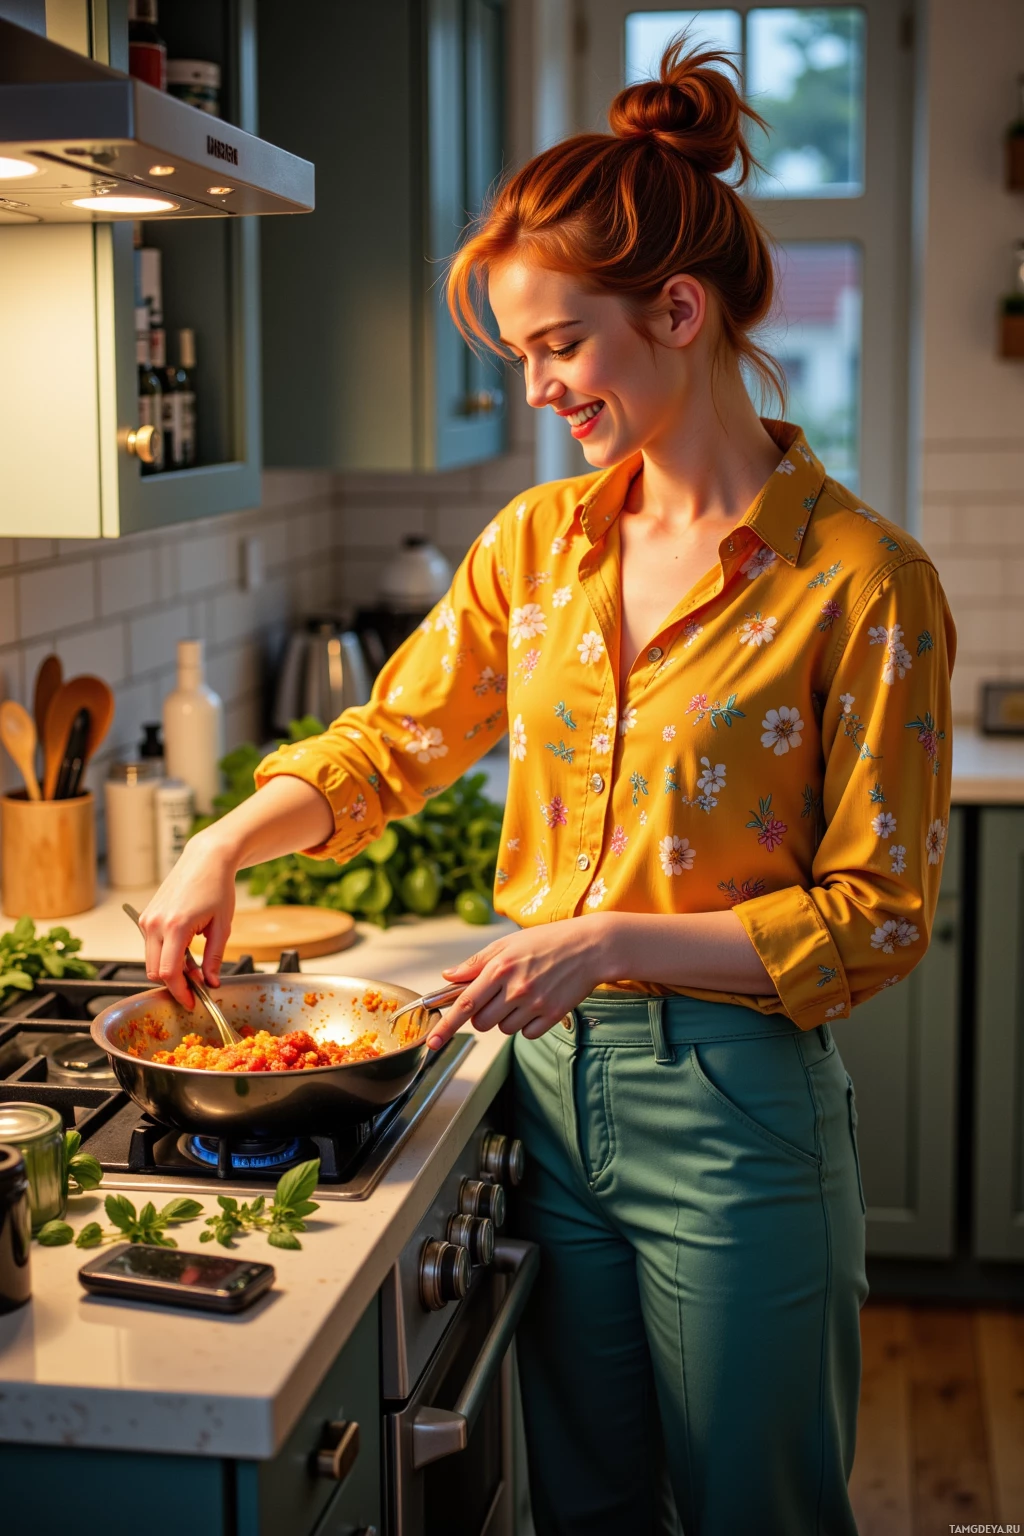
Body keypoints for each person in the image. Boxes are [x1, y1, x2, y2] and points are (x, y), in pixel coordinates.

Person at [140, 40, 955, 1536]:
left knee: (756, 1513)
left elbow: (878, 918)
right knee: (584, 1506)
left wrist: (613, 941)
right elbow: (390, 747)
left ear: (680, 312)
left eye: (560, 347)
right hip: (545, 1094)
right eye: (522, 358)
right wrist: (223, 846)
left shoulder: (863, 581)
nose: (540, 389)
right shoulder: (539, 548)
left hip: (738, 1113)